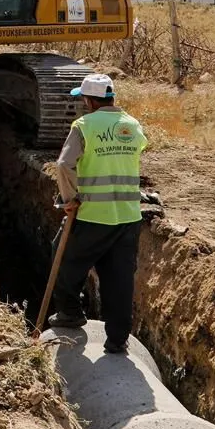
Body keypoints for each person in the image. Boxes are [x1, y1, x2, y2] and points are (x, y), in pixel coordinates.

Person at [48, 73, 148, 354]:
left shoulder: (84, 125)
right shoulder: (132, 124)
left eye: (83, 99)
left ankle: (70, 313)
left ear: (89, 101)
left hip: (93, 214)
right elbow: (136, 149)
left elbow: (64, 164)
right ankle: (117, 339)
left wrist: (69, 199)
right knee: (119, 279)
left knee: (62, 256)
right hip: (128, 217)